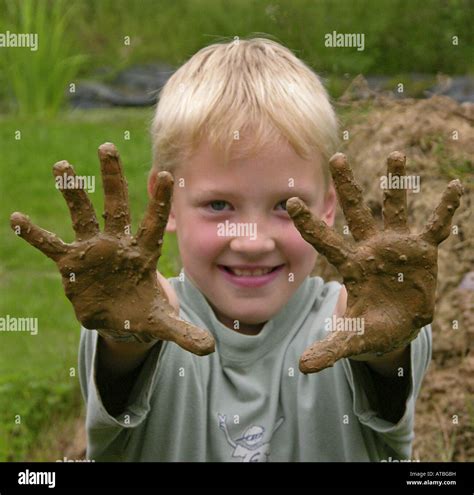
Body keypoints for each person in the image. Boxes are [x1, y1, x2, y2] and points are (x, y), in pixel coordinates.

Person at [10, 37, 463, 462]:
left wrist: (389, 333)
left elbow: (376, 338)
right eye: (219, 204)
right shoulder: (146, 317)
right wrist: (125, 333)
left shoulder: (350, 321)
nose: (252, 240)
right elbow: (134, 333)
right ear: (163, 201)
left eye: (287, 207)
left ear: (329, 207)